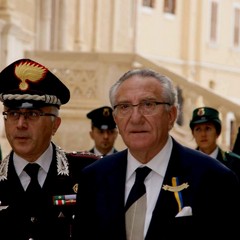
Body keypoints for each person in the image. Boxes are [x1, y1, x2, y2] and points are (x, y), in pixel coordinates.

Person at [73, 68, 240, 239]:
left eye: (148, 105)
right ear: (116, 119)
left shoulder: (215, 179)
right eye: (124, 107)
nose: (136, 118)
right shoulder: (93, 178)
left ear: (171, 115)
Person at [0, 58, 99, 240]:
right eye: (13, 114)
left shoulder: (90, 174)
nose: (21, 124)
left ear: (55, 125)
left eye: (32, 114)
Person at [189, 106, 240, 180]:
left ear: (218, 132)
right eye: (198, 129)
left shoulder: (234, 163)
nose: (203, 134)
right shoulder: (184, 163)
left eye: (208, 128)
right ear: (193, 133)